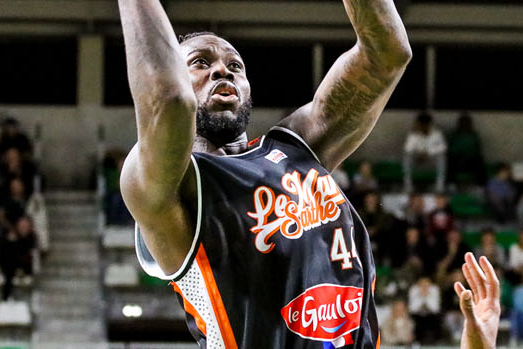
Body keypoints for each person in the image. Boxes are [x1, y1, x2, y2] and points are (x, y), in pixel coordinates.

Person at [119, 0, 500, 345]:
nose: (223, 70)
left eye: (236, 65)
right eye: (200, 62)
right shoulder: (171, 185)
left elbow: (387, 53)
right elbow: (170, 102)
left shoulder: (294, 147)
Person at [402, 112, 447, 193]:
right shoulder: (414, 134)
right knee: (407, 157)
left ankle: (439, 187)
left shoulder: (436, 133)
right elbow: (407, 149)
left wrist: (429, 153)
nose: (419, 126)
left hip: (431, 161)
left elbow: (443, 148)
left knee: (441, 157)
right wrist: (420, 154)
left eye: (421, 124)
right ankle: (408, 187)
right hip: (418, 161)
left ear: (427, 124)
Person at [0, 216, 38, 301]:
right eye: (21, 225)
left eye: (25, 225)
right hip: (11, 265)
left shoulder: (32, 236)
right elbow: (5, 252)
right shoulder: (12, 236)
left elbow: (27, 251)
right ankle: (5, 298)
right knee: (9, 269)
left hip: (25, 263)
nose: (23, 227)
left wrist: (17, 241)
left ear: (29, 226)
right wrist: (11, 241)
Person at [447, 113, 485, 186]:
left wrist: (468, 155)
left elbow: (477, 150)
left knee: (480, 161)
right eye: (463, 123)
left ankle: (481, 186)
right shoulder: (454, 135)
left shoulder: (473, 135)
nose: (465, 125)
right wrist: (461, 154)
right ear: (459, 124)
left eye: (467, 123)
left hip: (470, 160)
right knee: (450, 160)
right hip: (457, 160)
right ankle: (451, 184)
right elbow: (451, 149)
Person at [408, 277, 443, 343]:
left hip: (431, 315)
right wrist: (421, 296)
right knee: (415, 322)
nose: (424, 286)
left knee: (436, 321)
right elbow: (412, 309)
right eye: (422, 284)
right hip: (417, 316)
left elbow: (435, 309)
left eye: (426, 284)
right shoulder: (414, 290)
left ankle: (436, 342)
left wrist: (427, 296)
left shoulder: (434, 290)